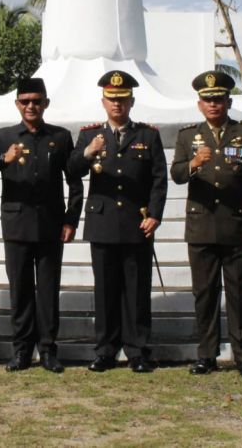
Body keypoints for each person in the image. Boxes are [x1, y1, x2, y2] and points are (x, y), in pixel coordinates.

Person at [170, 71, 242, 377]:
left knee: (239, 292)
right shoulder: (188, 136)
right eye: (207, 100)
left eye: (218, 99)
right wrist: (193, 164)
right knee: (205, 293)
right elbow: (176, 174)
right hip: (201, 227)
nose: (213, 105)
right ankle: (207, 354)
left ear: (228, 101)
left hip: (236, 226)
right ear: (199, 104)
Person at [0, 77, 84, 374]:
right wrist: (4, 159)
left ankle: (49, 350)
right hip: (16, 225)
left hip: (51, 225)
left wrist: (71, 219)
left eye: (36, 101)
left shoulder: (61, 137)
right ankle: (22, 350)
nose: (31, 106)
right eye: (25, 101)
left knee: (48, 291)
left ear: (46, 104)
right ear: (17, 104)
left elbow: (74, 181)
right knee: (21, 290)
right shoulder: (3, 137)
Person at [68, 71, 167, 373]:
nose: (117, 104)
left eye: (122, 99)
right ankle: (106, 350)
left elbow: (159, 179)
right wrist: (88, 152)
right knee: (106, 291)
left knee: (136, 290)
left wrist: (154, 214)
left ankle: (137, 351)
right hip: (103, 221)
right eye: (112, 99)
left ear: (131, 101)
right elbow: (72, 171)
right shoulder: (89, 135)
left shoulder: (147, 135)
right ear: (103, 102)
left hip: (136, 222)